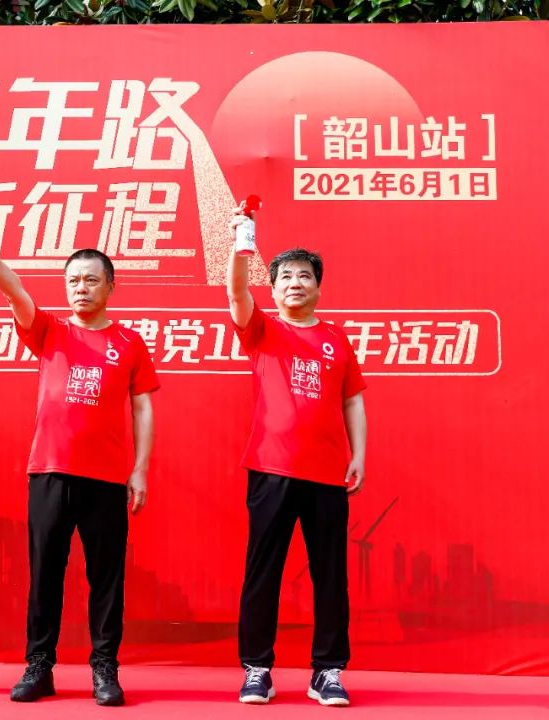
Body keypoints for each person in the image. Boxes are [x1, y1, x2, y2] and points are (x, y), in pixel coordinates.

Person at [0, 232, 159, 707]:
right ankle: (39, 666)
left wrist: (139, 469)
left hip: (106, 478)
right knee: (45, 573)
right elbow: (14, 290)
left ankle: (105, 668)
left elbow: (142, 408)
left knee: (107, 578)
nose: (81, 288)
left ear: (110, 286)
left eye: (91, 280)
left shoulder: (129, 342)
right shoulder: (49, 331)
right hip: (50, 471)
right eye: (74, 280)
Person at [226, 229, 367, 707]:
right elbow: (236, 292)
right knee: (263, 571)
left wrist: (358, 454)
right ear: (273, 289)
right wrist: (241, 245)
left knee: (331, 575)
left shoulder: (336, 339)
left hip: (326, 474)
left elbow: (353, 400)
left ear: (318, 287)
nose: (295, 283)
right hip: (271, 468)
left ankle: (327, 671)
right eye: (285, 277)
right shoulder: (263, 330)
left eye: (304, 276)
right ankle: (257, 669)